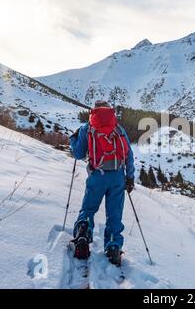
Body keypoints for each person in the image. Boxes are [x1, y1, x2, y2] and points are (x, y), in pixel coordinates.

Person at [69, 100, 135, 266]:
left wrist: (73, 138)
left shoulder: (87, 128)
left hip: (97, 175)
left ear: (94, 111)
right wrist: (130, 177)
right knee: (114, 214)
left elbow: (78, 154)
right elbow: (129, 154)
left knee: (88, 208)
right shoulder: (118, 128)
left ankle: (83, 233)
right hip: (118, 177)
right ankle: (113, 247)